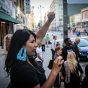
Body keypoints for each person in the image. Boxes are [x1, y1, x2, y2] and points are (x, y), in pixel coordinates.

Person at [5, 12, 64, 88]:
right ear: (21, 45)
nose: (36, 44)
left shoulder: (27, 59)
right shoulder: (23, 69)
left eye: (34, 41)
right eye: (32, 42)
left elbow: (39, 37)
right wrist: (54, 71)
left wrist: (49, 21)